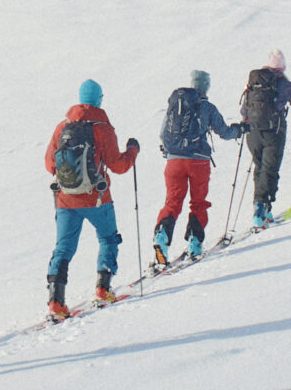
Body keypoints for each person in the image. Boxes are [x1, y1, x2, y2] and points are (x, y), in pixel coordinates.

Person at [43, 79, 139, 318]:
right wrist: (133, 151)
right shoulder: (102, 128)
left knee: (63, 247)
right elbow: (117, 165)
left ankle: (56, 302)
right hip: (97, 199)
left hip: (65, 200)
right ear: (98, 99)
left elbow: (49, 164)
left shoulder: (62, 126)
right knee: (108, 238)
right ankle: (103, 289)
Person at [153, 71, 243, 264]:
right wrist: (239, 130)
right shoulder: (207, 107)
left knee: (172, 202)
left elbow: (163, 134)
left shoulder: (175, 105)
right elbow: (225, 132)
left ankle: (161, 236)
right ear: (206, 86)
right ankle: (194, 242)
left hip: (174, 162)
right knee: (198, 202)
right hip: (198, 162)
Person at [237, 50, 291, 226]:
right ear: (282, 67)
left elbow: (243, 111)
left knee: (260, 168)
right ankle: (262, 209)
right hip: (274, 132)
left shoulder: (254, 82)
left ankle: (261, 208)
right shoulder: (284, 84)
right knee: (270, 170)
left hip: (253, 133)